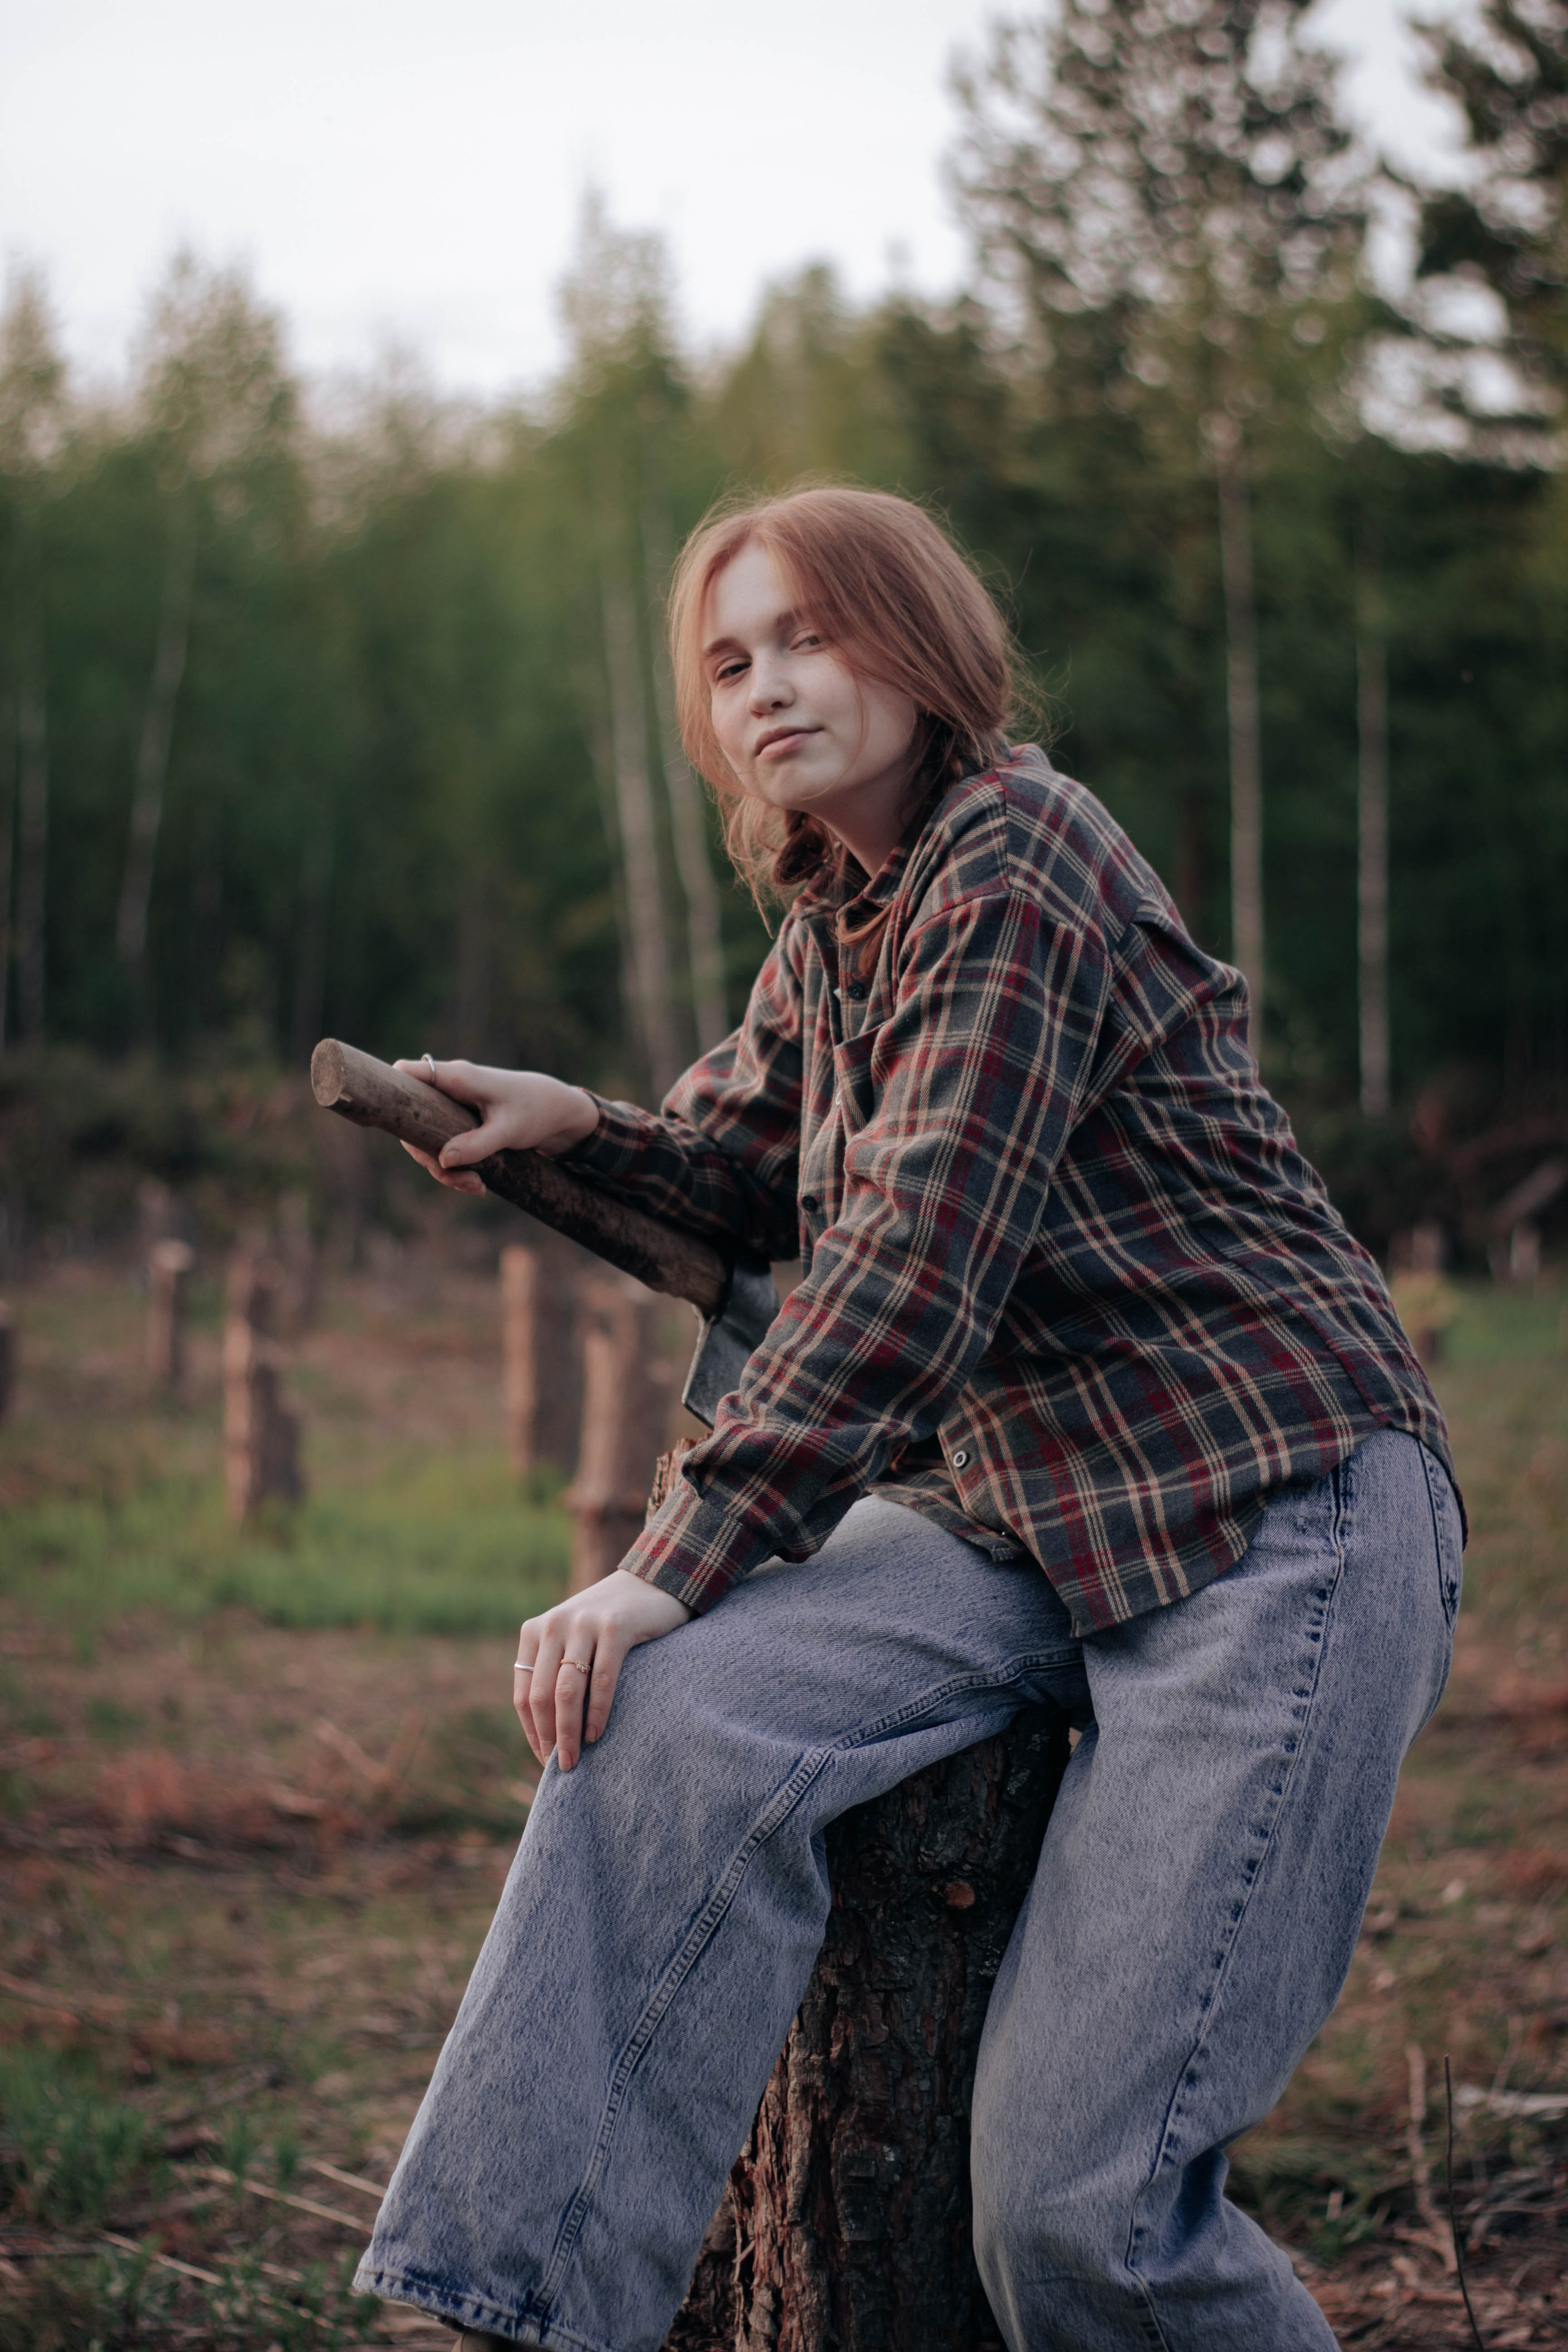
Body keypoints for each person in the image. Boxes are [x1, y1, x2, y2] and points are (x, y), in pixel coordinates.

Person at [356, 485, 1463, 2352]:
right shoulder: (837, 925)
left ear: (923, 643)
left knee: (1076, 2217)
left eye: (812, 635)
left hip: (1276, 1506)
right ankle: (507, 2303)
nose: (770, 687)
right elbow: (751, 1175)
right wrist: (581, 1129)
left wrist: (671, 1557)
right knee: (670, 1715)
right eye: (729, 662)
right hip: (1024, 1508)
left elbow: (911, 1263)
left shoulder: (1018, 860)